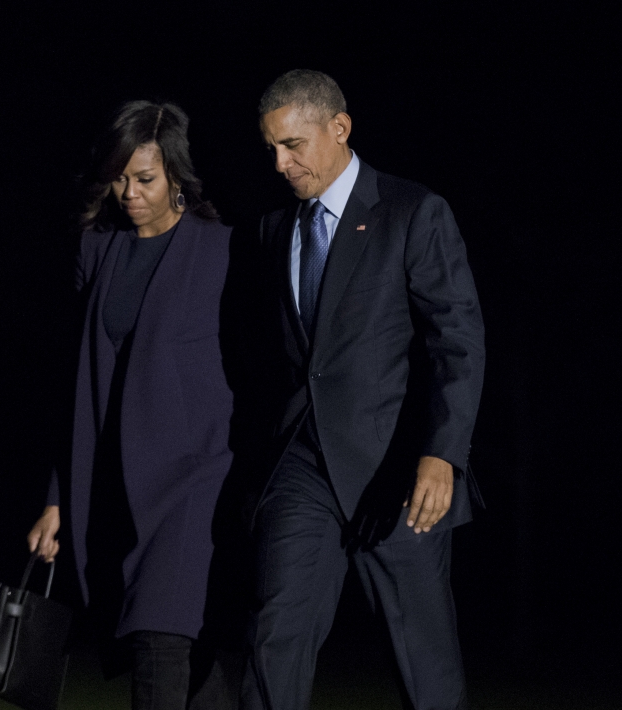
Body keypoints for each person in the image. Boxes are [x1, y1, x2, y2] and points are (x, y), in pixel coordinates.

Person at [241, 70, 486, 710]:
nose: (280, 163)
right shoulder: (273, 228)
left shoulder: (413, 211)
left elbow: (456, 341)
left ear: (340, 128)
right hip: (301, 468)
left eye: (293, 145)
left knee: (424, 666)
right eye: (270, 148)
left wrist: (443, 454)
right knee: (274, 638)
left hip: (398, 471)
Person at [27, 100, 236, 710]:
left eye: (144, 179)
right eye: (118, 178)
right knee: (180, 645)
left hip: (196, 479)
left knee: (160, 632)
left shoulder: (221, 251)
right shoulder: (99, 252)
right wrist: (56, 497)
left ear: (176, 174)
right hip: (115, 482)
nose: (128, 193)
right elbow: (77, 383)